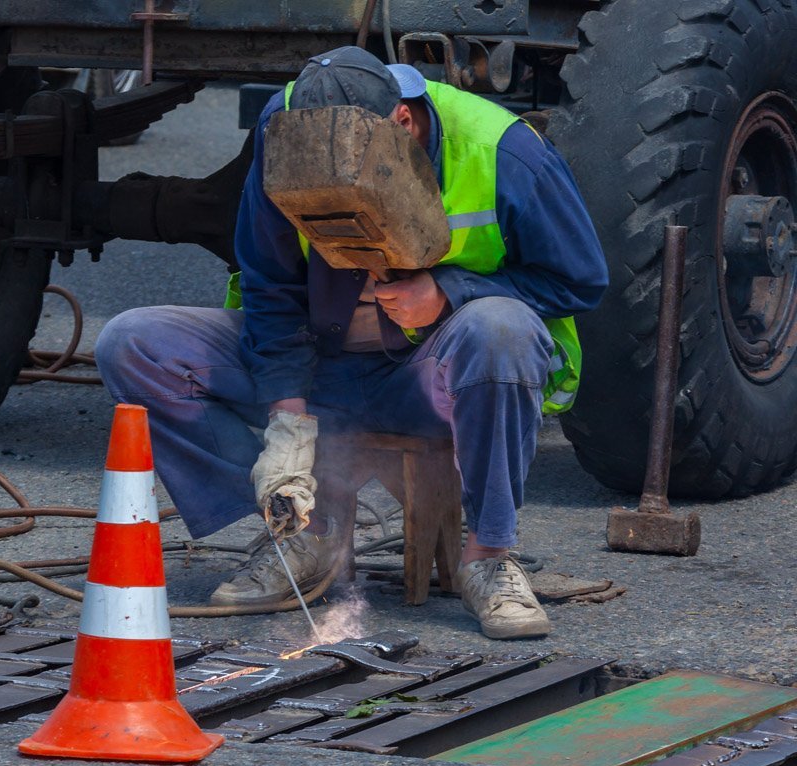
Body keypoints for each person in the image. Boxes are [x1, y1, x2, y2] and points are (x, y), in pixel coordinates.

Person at [94, 46, 608, 640]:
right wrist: (288, 423)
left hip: (428, 377)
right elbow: (269, 282)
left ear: (403, 123)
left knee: (501, 328)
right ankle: (302, 530)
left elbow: (579, 280)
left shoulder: (503, 152)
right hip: (324, 370)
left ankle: (489, 558)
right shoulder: (286, 129)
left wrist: (449, 292)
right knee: (134, 343)